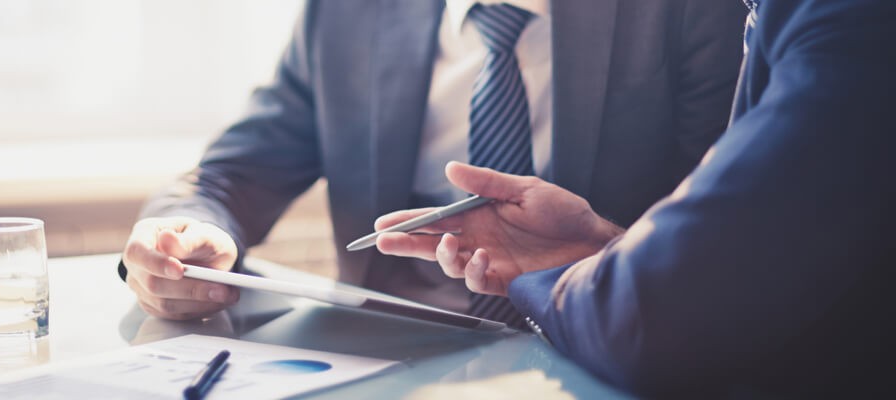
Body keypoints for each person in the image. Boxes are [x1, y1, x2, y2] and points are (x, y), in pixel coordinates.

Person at [373, 0, 896, 396]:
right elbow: (744, 245)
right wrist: (606, 250)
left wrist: (548, 279)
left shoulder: (848, 24)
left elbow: (660, 308)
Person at [118, 0, 745, 325]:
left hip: (592, 347)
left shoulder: (691, 11)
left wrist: (603, 252)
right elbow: (231, 175)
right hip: (392, 363)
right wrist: (182, 236)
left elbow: (729, 239)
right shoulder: (347, 14)